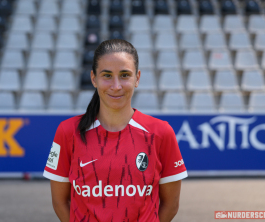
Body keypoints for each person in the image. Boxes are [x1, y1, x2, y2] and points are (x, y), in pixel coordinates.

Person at [43, 39, 188, 222]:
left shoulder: (161, 133)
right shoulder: (67, 131)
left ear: (137, 78)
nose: (116, 86)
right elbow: (60, 202)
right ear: (94, 78)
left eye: (125, 75)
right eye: (107, 75)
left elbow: (171, 205)